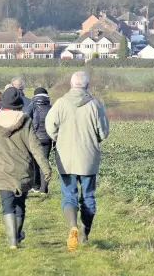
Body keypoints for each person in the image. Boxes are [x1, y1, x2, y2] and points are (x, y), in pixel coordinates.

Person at [0, 87, 51, 249]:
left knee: (7, 205)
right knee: (20, 205)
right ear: (18, 104)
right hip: (23, 170)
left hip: (2, 170)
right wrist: (45, 168)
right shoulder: (25, 121)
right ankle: (17, 236)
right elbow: (36, 148)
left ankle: (13, 241)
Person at [45, 71, 109, 251]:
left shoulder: (60, 103)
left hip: (65, 158)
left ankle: (72, 225)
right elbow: (104, 132)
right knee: (88, 196)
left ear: (71, 85)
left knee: (68, 195)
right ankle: (84, 232)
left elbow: (50, 127)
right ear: (87, 86)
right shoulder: (95, 104)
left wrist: (60, 138)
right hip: (88, 157)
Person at [25, 87, 53, 195]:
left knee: (35, 162)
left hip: (34, 138)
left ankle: (35, 186)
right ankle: (44, 189)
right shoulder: (51, 107)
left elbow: (26, 120)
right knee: (44, 162)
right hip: (47, 138)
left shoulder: (31, 106)